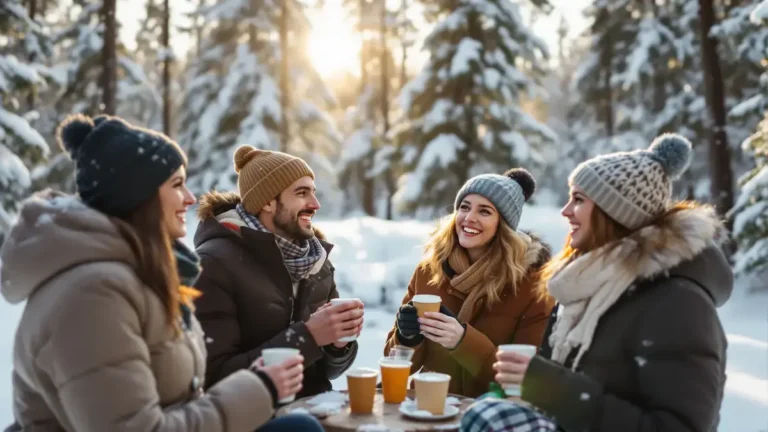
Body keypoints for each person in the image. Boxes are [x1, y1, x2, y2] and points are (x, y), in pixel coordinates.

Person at [0, 114, 322, 432]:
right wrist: (257, 388)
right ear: (138, 195)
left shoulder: (142, 275)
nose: (191, 198)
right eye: (177, 184)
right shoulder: (93, 295)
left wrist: (256, 380)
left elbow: (182, 394)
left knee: (300, 427)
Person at [461, 134, 732, 432]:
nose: (565, 211)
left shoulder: (678, 303)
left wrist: (554, 389)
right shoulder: (583, 286)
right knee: (484, 413)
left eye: (578, 200)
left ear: (614, 212)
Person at [193, 145, 362, 398]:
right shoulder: (213, 265)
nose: (315, 204)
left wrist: (339, 344)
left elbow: (325, 372)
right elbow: (214, 377)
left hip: (317, 410)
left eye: (313, 193)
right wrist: (309, 336)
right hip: (254, 418)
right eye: (301, 193)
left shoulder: (317, 262)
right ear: (268, 202)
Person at [384, 168, 555, 397]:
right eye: (464, 207)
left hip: (490, 415)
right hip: (429, 408)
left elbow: (525, 379)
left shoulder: (532, 283)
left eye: (484, 211)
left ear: (503, 225)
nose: (469, 217)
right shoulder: (428, 271)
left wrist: (462, 341)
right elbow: (395, 363)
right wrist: (406, 338)